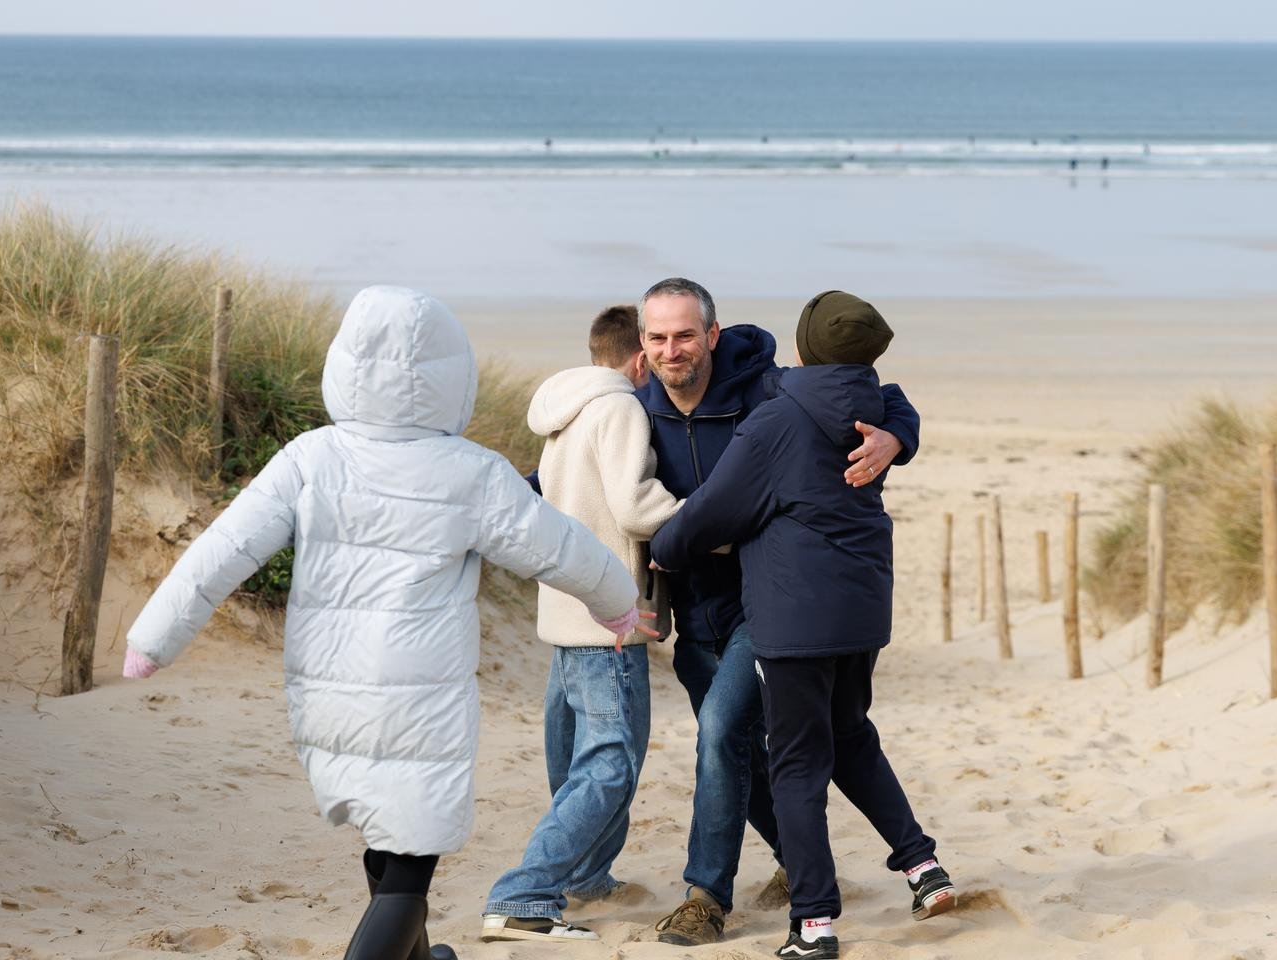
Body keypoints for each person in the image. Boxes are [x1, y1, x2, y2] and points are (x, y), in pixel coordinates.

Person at [119, 286, 644, 960]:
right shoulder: (471, 473)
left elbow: (220, 552)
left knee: (388, 837)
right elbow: (560, 547)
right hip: (419, 702)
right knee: (408, 869)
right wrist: (618, 601)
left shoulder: (310, 458)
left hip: (328, 694)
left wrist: (152, 639)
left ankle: (422, 957)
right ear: (453, 379)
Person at [651, 290, 956, 960]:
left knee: (794, 767)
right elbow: (900, 401)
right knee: (849, 737)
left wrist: (661, 550)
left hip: (793, 620)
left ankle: (813, 923)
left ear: (805, 343)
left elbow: (709, 516)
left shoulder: (777, 420)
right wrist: (900, 435)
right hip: (862, 611)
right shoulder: (870, 402)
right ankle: (922, 868)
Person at [480, 305, 680, 943]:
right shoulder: (621, 407)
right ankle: (524, 896)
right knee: (610, 763)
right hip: (609, 617)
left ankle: (588, 876)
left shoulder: (562, 413)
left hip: (565, 611)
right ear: (639, 358)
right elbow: (634, 504)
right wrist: (709, 512)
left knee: (574, 758)